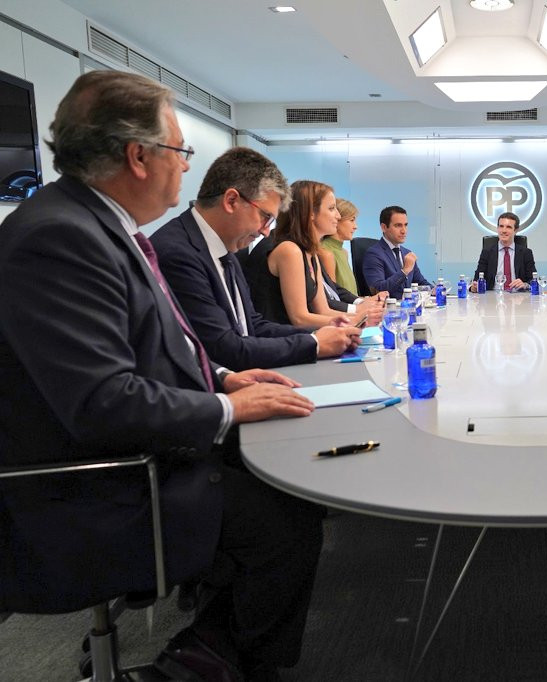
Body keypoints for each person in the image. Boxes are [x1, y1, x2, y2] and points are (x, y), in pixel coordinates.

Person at [0, 70, 326, 681]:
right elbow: (101, 402)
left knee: (290, 483)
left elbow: (165, 348)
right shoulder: (58, 239)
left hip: (145, 452)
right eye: (181, 151)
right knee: (285, 524)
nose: (185, 166)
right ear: (139, 156)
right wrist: (230, 410)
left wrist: (225, 379)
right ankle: (210, 666)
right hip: (103, 485)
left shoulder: (97, 226)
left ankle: (209, 652)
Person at [151, 147, 365, 370]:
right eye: (265, 217)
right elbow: (222, 348)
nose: (265, 232)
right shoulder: (179, 253)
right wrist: (313, 344)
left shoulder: (226, 248)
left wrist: (321, 331)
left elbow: (252, 325)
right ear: (232, 201)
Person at [245, 180, 371, 327]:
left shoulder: (310, 251)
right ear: (311, 212)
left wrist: (364, 317)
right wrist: (355, 321)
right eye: (331, 208)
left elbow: (323, 310)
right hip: (277, 342)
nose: (337, 215)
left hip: (296, 339)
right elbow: (299, 319)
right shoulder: (289, 250)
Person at [361, 205, 432, 299]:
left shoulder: (407, 253)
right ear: (384, 227)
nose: (404, 231)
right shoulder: (373, 254)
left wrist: (435, 290)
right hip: (388, 310)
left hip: (408, 307)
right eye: (398, 225)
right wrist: (404, 271)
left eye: (405, 225)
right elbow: (379, 289)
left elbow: (421, 283)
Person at [469, 211, 537, 292]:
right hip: (492, 299)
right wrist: (474, 288)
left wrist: (525, 285)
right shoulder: (487, 252)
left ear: (516, 230)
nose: (504, 230)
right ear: (497, 228)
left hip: (518, 298)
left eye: (508, 227)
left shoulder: (526, 253)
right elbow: (477, 280)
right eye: (501, 226)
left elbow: (533, 281)